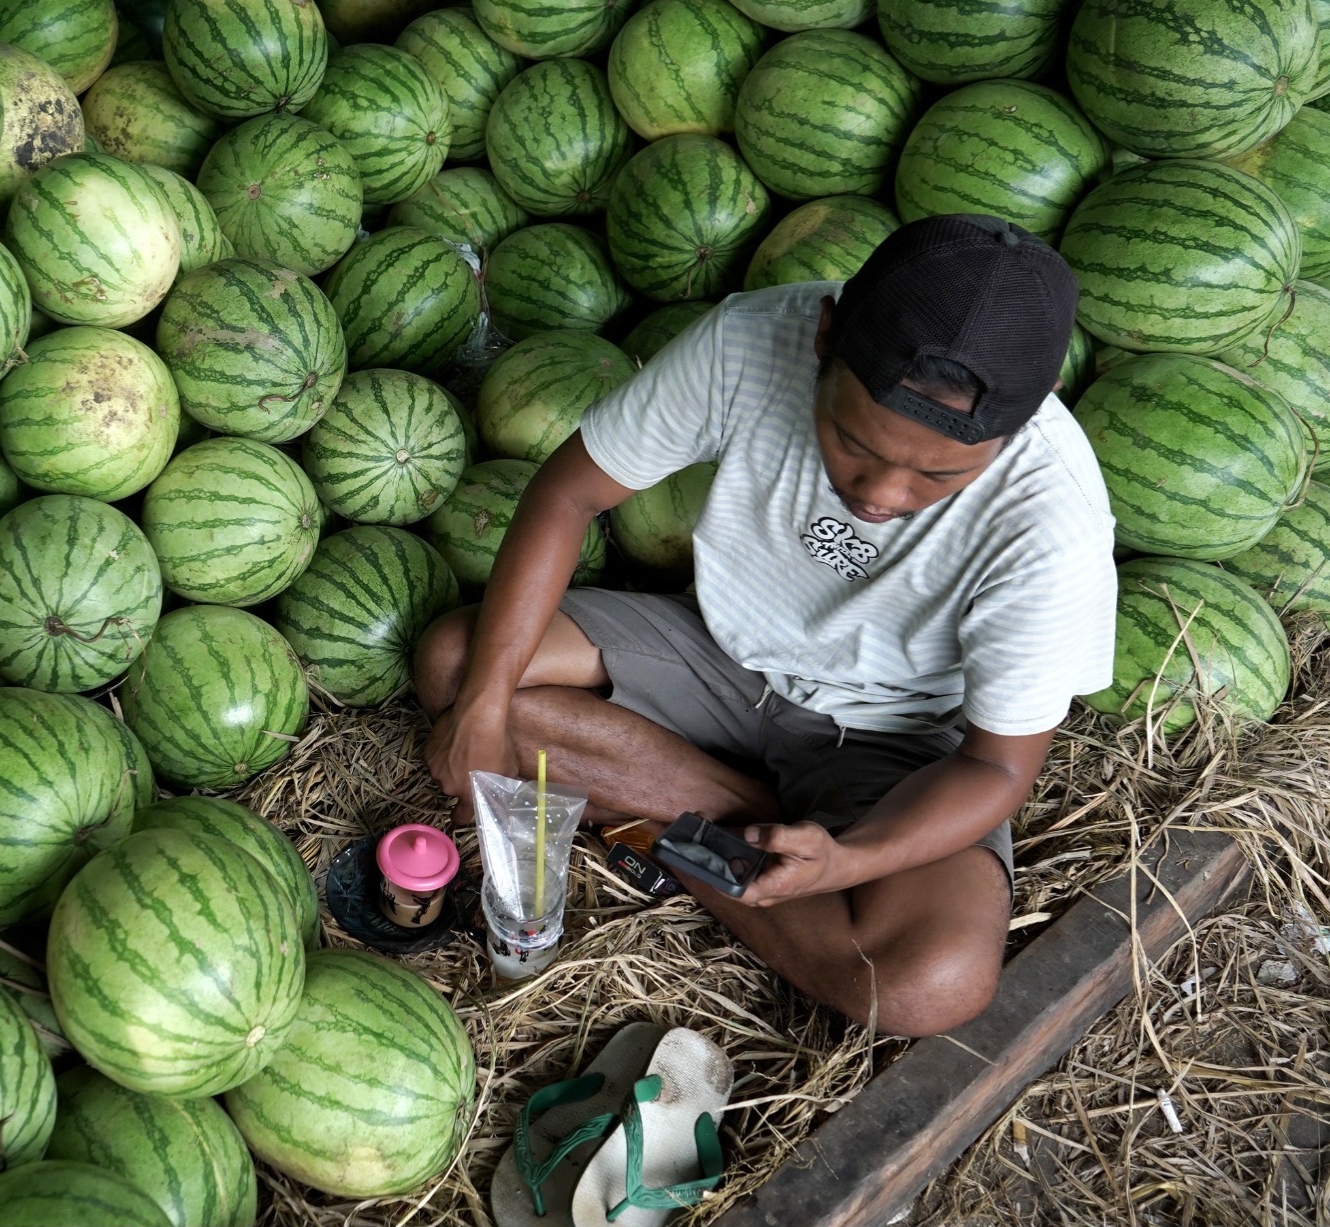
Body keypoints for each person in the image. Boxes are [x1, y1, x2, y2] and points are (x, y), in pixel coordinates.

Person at [417, 214, 1117, 1038]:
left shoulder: (1051, 512)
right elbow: (570, 493)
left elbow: (997, 769)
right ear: (824, 336)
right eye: (855, 443)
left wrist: (850, 860)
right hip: (720, 654)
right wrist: (486, 705)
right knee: (460, 664)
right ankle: (728, 805)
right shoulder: (753, 339)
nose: (883, 494)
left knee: (929, 983)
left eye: (937, 475)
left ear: (1022, 424)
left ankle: (663, 802)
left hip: (894, 738)